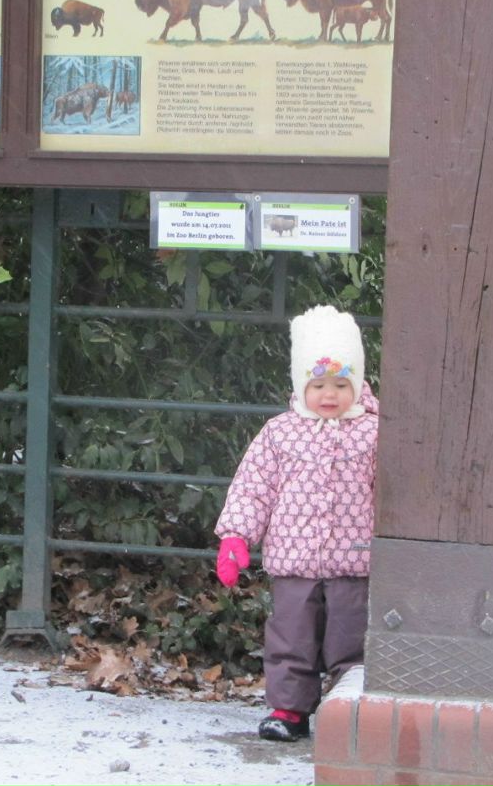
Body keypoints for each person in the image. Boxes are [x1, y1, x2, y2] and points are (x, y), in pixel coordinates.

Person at [214, 305, 379, 742]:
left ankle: (350, 711)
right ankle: (289, 710)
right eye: (319, 384)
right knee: (291, 639)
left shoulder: (374, 433)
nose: (330, 394)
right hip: (292, 560)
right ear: (300, 384)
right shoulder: (279, 433)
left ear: (358, 384)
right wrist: (236, 535)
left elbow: (391, 493)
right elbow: (253, 486)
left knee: (351, 642)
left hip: (354, 561)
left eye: (342, 384)